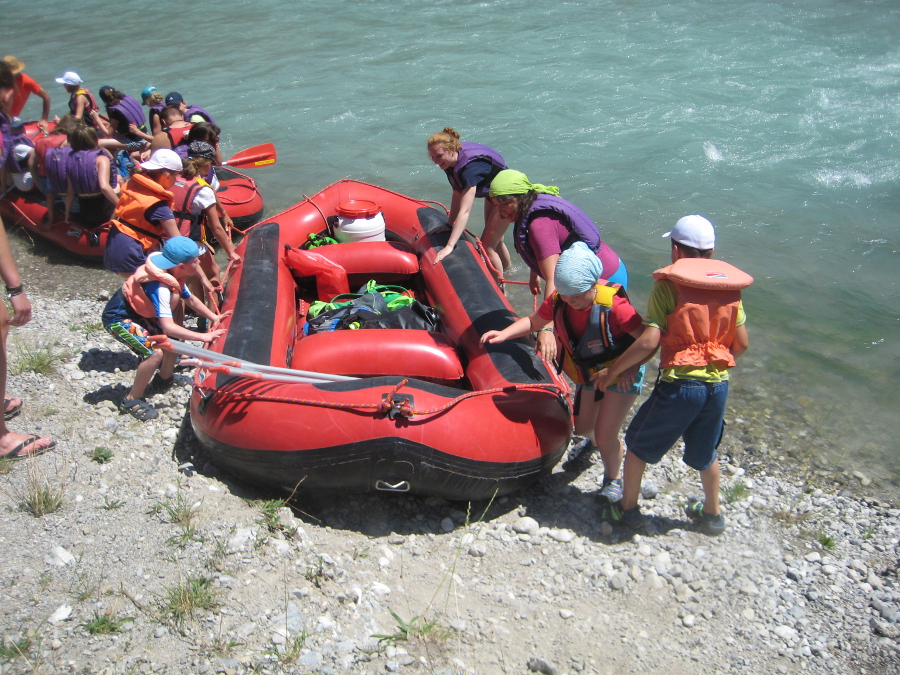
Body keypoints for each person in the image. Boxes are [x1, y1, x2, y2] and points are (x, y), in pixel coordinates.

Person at [593, 216, 752, 535]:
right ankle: (712, 515)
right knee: (706, 451)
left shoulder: (668, 286)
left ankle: (628, 509)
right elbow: (742, 343)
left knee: (637, 445)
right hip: (718, 385)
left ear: (677, 250)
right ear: (711, 252)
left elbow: (649, 342)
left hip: (682, 385)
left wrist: (613, 370)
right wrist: (714, 365)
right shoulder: (729, 288)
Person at [481, 242, 645, 502]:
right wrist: (503, 334)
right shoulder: (562, 299)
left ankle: (613, 478)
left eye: (577, 296)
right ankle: (594, 443)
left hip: (622, 372)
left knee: (606, 434)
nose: (571, 301)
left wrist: (627, 369)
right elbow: (534, 321)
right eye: (566, 296)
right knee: (582, 427)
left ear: (593, 285)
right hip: (592, 371)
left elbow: (647, 340)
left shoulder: (616, 307)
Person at [488, 169, 629, 362]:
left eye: (505, 203)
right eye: (496, 205)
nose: (500, 211)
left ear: (522, 197)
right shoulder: (532, 206)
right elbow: (546, 251)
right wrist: (534, 274)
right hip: (609, 265)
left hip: (603, 279)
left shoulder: (539, 225)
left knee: (599, 340)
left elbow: (554, 278)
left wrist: (547, 328)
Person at [102, 236, 228, 421]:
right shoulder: (159, 287)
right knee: (155, 353)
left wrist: (214, 317)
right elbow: (168, 327)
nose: (199, 262)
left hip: (141, 316)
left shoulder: (173, 274)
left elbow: (190, 299)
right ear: (180, 266)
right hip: (119, 319)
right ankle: (131, 399)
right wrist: (203, 338)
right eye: (194, 260)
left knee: (174, 342)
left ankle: (164, 378)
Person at [427, 128, 510, 274]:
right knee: (497, 240)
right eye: (432, 157)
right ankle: (509, 269)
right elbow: (457, 194)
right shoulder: (450, 162)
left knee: (487, 245)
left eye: (438, 156)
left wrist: (449, 246)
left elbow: (465, 211)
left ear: (452, 149)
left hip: (507, 196)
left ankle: (501, 289)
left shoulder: (470, 169)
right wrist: (448, 224)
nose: (435, 161)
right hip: (493, 192)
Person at [104, 148, 183, 277]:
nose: (177, 180)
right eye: (176, 176)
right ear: (167, 176)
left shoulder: (132, 185)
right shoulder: (159, 205)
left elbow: (115, 214)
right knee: (154, 291)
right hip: (131, 252)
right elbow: (178, 242)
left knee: (135, 288)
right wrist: (201, 276)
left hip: (114, 243)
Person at [65, 125, 119, 230]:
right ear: (94, 139)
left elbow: (70, 192)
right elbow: (104, 187)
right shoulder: (101, 159)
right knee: (121, 185)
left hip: (87, 212)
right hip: (105, 211)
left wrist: (67, 214)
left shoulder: (69, 161)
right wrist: (120, 204)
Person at [2, 55, 50, 124]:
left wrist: (44, 119)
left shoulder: (26, 81)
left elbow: (46, 97)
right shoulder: (3, 80)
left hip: (11, 120)